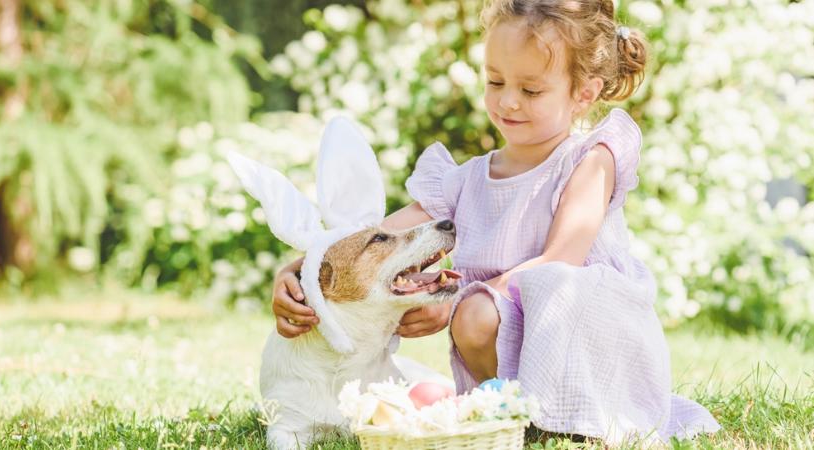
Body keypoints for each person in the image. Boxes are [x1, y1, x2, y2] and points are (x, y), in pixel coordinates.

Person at [269, 0, 720, 442]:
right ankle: (513, 416)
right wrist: (298, 271)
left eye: (530, 90)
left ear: (584, 93)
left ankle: (561, 413)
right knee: (476, 312)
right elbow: (374, 241)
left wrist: (454, 297)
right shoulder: (466, 181)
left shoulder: (588, 160)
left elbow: (561, 261)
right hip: (508, 328)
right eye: (495, 81)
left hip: (586, 330)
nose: (507, 102)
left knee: (475, 312)